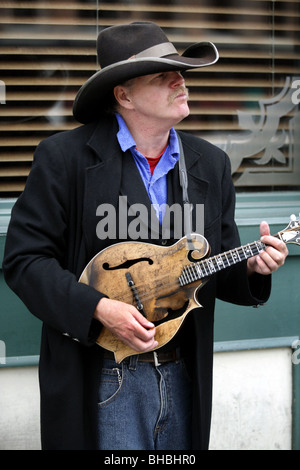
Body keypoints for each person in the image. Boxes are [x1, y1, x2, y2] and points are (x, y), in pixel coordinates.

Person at [3, 22, 288, 451]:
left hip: (182, 372)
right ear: (124, 95)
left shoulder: (209, 164)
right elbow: (25, 261)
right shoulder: (64, 159)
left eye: (181, 72)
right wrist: (99, 308)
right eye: (162, 75)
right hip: (100, 376)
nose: (180, 81)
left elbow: (216, 266)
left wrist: (252, 267)